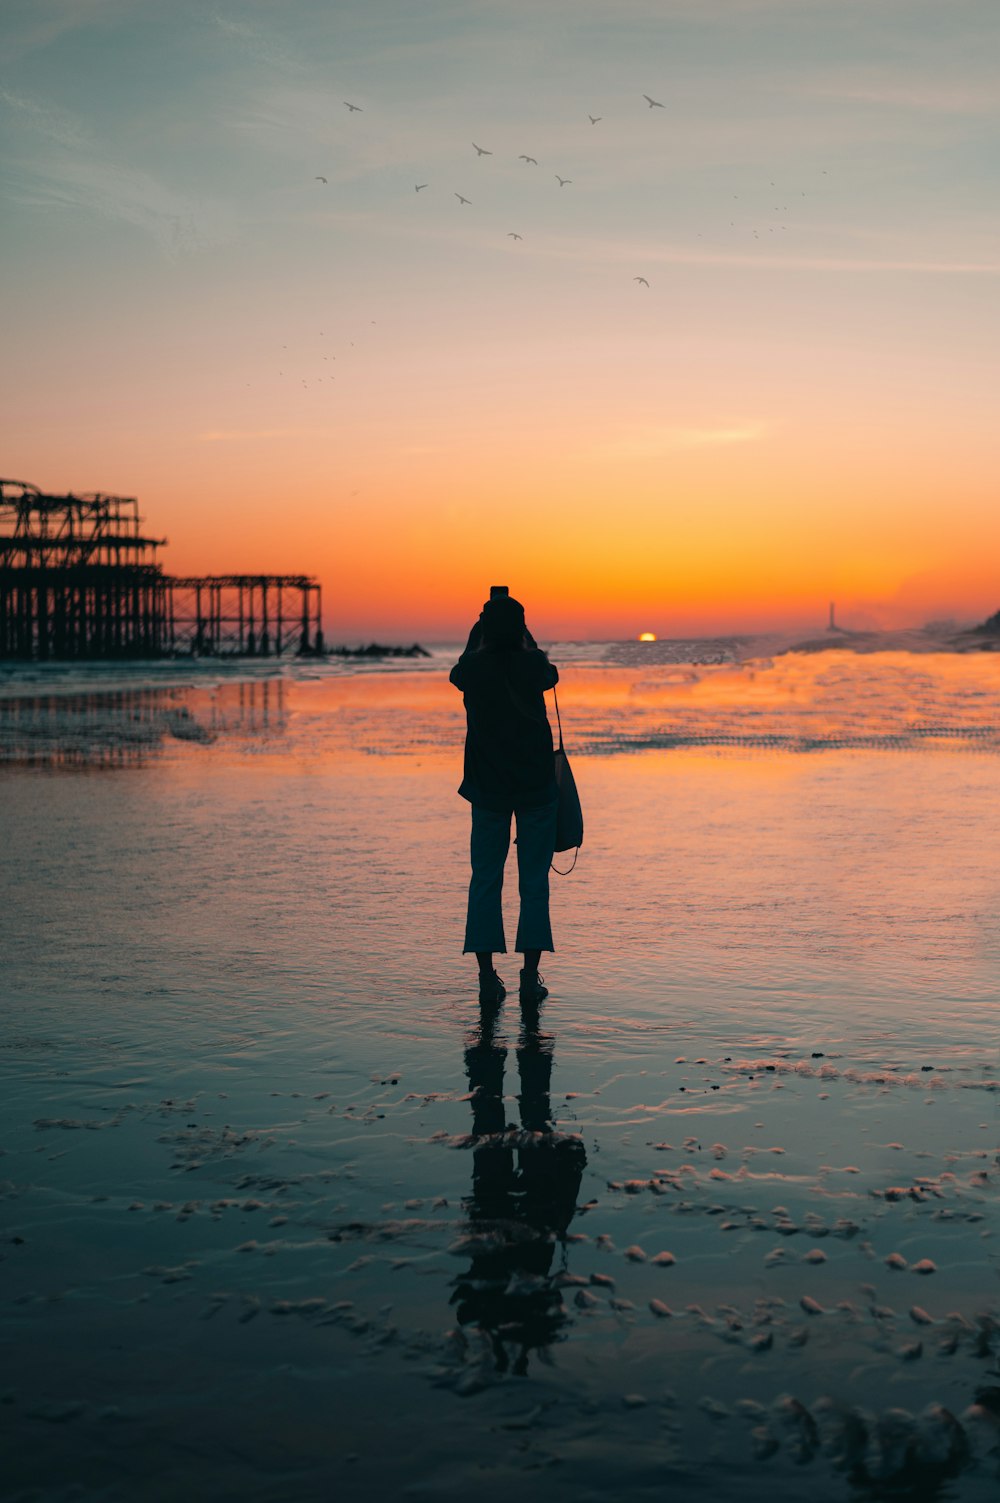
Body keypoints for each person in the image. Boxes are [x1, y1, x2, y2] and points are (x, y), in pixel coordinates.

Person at [450, 591, 559, 1005]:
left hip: (488, 787)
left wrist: (476, 635)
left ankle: (486, 979)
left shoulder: (473, 669)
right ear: (521, 628)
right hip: (535, 786)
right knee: (534, 883)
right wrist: (524, 637)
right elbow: (548, 672)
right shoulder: (533, 665)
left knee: (485, 880)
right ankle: (529, 980)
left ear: (483, 630)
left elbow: (459, 671)